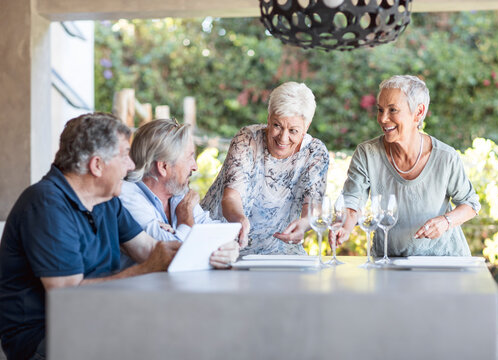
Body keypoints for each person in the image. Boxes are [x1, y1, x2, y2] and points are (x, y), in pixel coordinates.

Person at [0, 113, 237, 360]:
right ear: (97, 165)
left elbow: (151, 250)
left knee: (191, 332)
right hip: (48, 337)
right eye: (124, 155)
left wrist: (216, 250)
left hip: (98, 318)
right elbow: (68, 297)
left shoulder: (106, 202)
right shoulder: (47, 205)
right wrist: (147, 268)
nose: (132, 166)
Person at [335, 75, 481, 256]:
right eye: (380, 110)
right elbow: (352, 200)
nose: (383, 119)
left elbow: (471, 204)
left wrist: (445, 221)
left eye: (393, 110)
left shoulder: (446, 157)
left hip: (443, 262)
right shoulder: (367, 154)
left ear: (419, 112)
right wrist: (345, 227)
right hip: (388, 262)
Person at [201, 81, 330, 255]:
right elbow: (231, 197)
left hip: (278, 247)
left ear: (306, 127)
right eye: (277, 125)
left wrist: (304, 225)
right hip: (225, 241)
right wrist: (240, 220)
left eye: (293, 130)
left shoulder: (315, 153)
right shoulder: (247, 140)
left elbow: (313, 209)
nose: (283, 138)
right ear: (268, 118)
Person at [118, 119, 238, 268]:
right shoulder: (127, 196)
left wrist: (230, 249)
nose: (195, 167)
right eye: (189, 157)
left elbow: (220, 234)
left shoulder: (178, 194)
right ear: (163, 167)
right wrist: (185, 216)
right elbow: (175, 258)